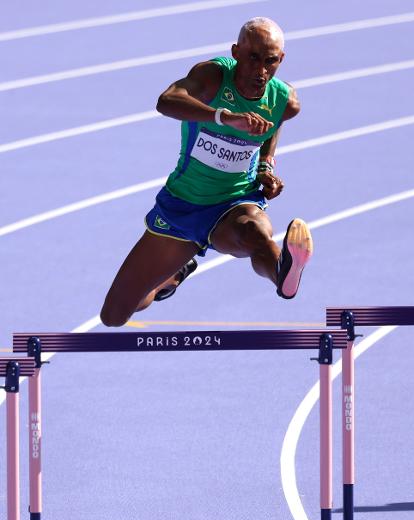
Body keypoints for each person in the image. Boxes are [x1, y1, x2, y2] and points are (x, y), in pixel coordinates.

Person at [100, 16, 313, 328]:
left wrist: (266, 167)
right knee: (114, 315)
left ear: (281, 60)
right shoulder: (213, 76)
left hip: (233, 204)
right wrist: (224, 117)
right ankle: (170, 278)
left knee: (255, 233)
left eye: (270, 62)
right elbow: (166, 101)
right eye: (253, 58)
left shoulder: (285, 101)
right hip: (182, 207)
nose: (261, 71)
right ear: (236, 51)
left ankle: (284, 273)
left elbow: (271, 131)